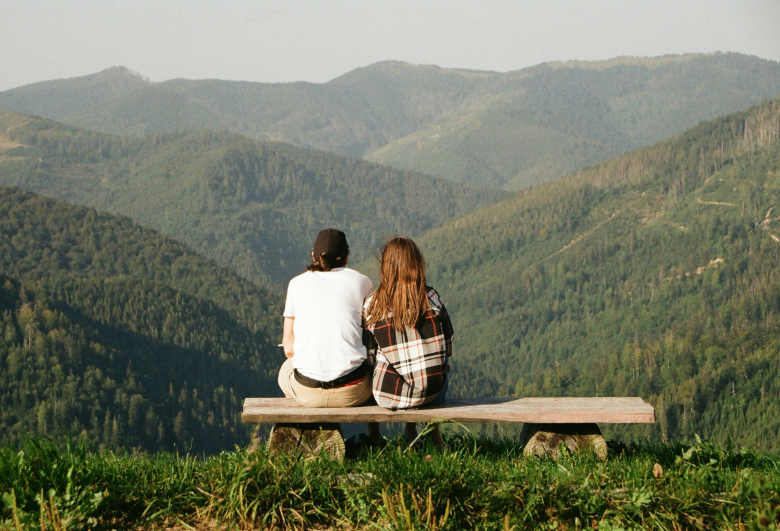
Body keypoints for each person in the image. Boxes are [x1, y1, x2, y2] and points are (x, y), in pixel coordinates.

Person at [362, 236, 453, 448]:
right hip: (433, 394)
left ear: (385, 267)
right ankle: (431, 439)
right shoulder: (431, 297)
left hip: (389, 396)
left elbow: (368, 356)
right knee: (432, 369)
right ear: (417, 264)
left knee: (383, 365)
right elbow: (448, 346)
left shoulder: (373, 305)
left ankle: (385, 437)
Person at [278, 228, 374, 408]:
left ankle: (299, 428)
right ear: (346, 257)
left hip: (309, 392)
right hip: (354, 391)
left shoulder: (296, 284)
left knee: (286, 369)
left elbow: (289, 349)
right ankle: (374, 436)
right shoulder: (363, 282)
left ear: (314, 256)